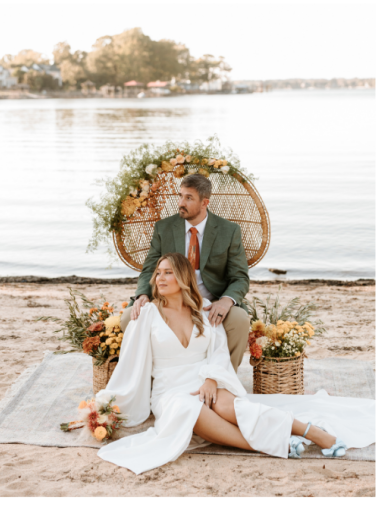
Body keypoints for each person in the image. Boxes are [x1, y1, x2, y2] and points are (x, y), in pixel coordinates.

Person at [96, 254, 374, 474]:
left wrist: (211, 379)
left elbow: (218, 350)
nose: (160, 278)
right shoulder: (147, 313)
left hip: (203, 378)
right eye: (158, 273)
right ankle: (271, 444)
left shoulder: (202, 309)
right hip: (169, 391)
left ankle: (312, 432)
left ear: (183, 277)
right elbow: (131, 362)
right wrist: (109, 404)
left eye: (168, 272)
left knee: (231, 407)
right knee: (188, 409)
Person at [120, 173, 250, 370]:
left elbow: (239, 277)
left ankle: (223, 377)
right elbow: (149, 269)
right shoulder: (164, 228)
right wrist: (143, 295)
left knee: (239, 320)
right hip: (169, 302)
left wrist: (226, 301)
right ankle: (151, 376)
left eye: (189, 198)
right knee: (129, 317)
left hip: (210, 305)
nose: (181, 203)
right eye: (180, 196)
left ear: (204, 202)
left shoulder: (229, 231)